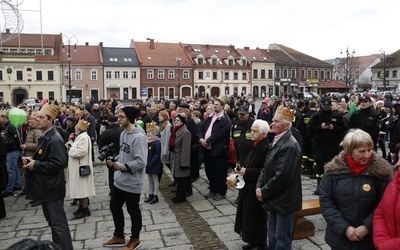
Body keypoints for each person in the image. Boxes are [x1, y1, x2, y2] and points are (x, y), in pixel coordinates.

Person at [319, 129, 393, 250]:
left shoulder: (381, 173)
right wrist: (344, 228)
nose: (367, 155)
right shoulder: (333, 172)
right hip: (340, 238)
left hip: (369, 239)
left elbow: (385, 203)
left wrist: (367, 226)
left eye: (369, 150)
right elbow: (326, 202)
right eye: (362, 151)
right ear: (349, 152)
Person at [22, 103, 73, 250]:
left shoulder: (55, 139)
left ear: (50, 120)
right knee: (54, 223)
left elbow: (59, 163)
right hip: (46, 187)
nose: (38, 120)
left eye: (41, 117)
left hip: (52, 188)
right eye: (37, 117)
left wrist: (36, 165)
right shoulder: (46, 136)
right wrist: (34, 161)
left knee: (59, 225)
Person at [256, 104, 302, 250]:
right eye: (273, 120)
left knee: (282, 237)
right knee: (273, 233)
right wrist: (259, 186)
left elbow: (282, 176)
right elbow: (266, 166)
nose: (272, 124)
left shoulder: (289, 145)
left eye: (276, 121)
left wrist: (264, 191)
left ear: (287, 125)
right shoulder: (277, 140)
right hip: (275, 197)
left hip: (284, 199)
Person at [103, 106, 147, 250]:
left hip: (132, 182)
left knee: (133, 211)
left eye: (121, 116)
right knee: (114, 206)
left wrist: (121, 166)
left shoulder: (139, 137)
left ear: (129, 117)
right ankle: (119, 236)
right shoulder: (123, 133)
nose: (118, 118)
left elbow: (141, 162)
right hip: (120, 180)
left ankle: (135, 239)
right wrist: (113, 159)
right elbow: (122, 153)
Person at [234, 120, 270, 250]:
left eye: (255, 131)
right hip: (248, 185)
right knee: (248, 215)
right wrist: (241, 170)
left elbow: (264, 170)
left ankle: (261, 243)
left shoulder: (266, 147)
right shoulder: (255, 144)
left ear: (263, 133)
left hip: (256, 186)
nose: (252, 133)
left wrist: (247, 171)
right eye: (252, 130)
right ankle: (252, 239)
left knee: (257, 216)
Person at [307, 97, 346, 194]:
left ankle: (331, 186)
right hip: (319, 145)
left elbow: (343, 128)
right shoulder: (316, 116)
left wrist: (333, 127)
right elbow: (309, 129)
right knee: (319, 166)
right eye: (325, 106)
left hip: (332, 145)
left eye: (328, 106)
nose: (326, 108)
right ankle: (319, 185)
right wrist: (320, 127)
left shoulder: (336, 115)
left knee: (332, 166)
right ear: (321, 105)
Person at [200, 97, 231, 201]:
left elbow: (219, 134)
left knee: (220, 172)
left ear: (222, 106)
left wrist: (207, 141)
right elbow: (202, 128)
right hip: (208, 149)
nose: (215, 106)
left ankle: (221, 192)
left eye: (217, 104)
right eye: (214, 104)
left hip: (219, 149)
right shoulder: (210, 117)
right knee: (210, 170)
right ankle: (212, 189)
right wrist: (201, 139)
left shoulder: (225, 119)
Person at [65, 119, 95, 219]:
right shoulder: (80, 137)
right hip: (78, 166)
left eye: (76, 127)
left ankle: (85, 208)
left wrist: (70, 150)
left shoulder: (83, 138)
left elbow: (81, 152)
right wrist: (70, 141)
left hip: (80, 167)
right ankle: (82, 207)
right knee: (80, 188)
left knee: (82, 189)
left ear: (78, 129)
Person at [373, 149, 400, 250]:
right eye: (398, 158)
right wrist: (380, 240)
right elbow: (380, 212)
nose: (397, 164)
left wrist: (386, 246)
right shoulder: (393, 184)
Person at [16, 112, 42, 198]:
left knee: (33, 177)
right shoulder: (31, 130)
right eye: (29, 119)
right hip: (29, 156)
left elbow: (38, 145)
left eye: (32, 119)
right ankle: (27, 191)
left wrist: (26, 146)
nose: (29, 121)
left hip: (33, 157)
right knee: (27, 175)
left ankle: (35, 195)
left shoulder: (37, 131)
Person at [98, 116, 124, 195]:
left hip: (110, 155)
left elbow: (101, 145)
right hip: (121, 154)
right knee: (122, 170)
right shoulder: (123, 130)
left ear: (108, 122)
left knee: (111, 173)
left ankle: (112, 189)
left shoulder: (105, 132)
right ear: (117, 121)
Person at [169, 113, 192, 204]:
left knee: (183, 179)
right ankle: (179, 195)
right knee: (178, 179)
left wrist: (185, 163)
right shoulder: (175, 130)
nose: (175, 122)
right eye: (175, 120)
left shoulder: (185, 132)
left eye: (178, 120)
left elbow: (186, 149)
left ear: (182, 122)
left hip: (181, 158)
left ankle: (181, 197)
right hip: (175, 157)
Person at [144, 122, 162, 204]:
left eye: (149, 132)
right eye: (147, 132)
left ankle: (155, 195)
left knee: (155, 180)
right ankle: (150, 194)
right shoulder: (147, 141)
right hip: (148, 163)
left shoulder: (156, 142)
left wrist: (151, 163)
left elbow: (157, 155)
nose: (147, 133)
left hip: (154, 164)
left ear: (154, 133)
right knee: (150, 180)